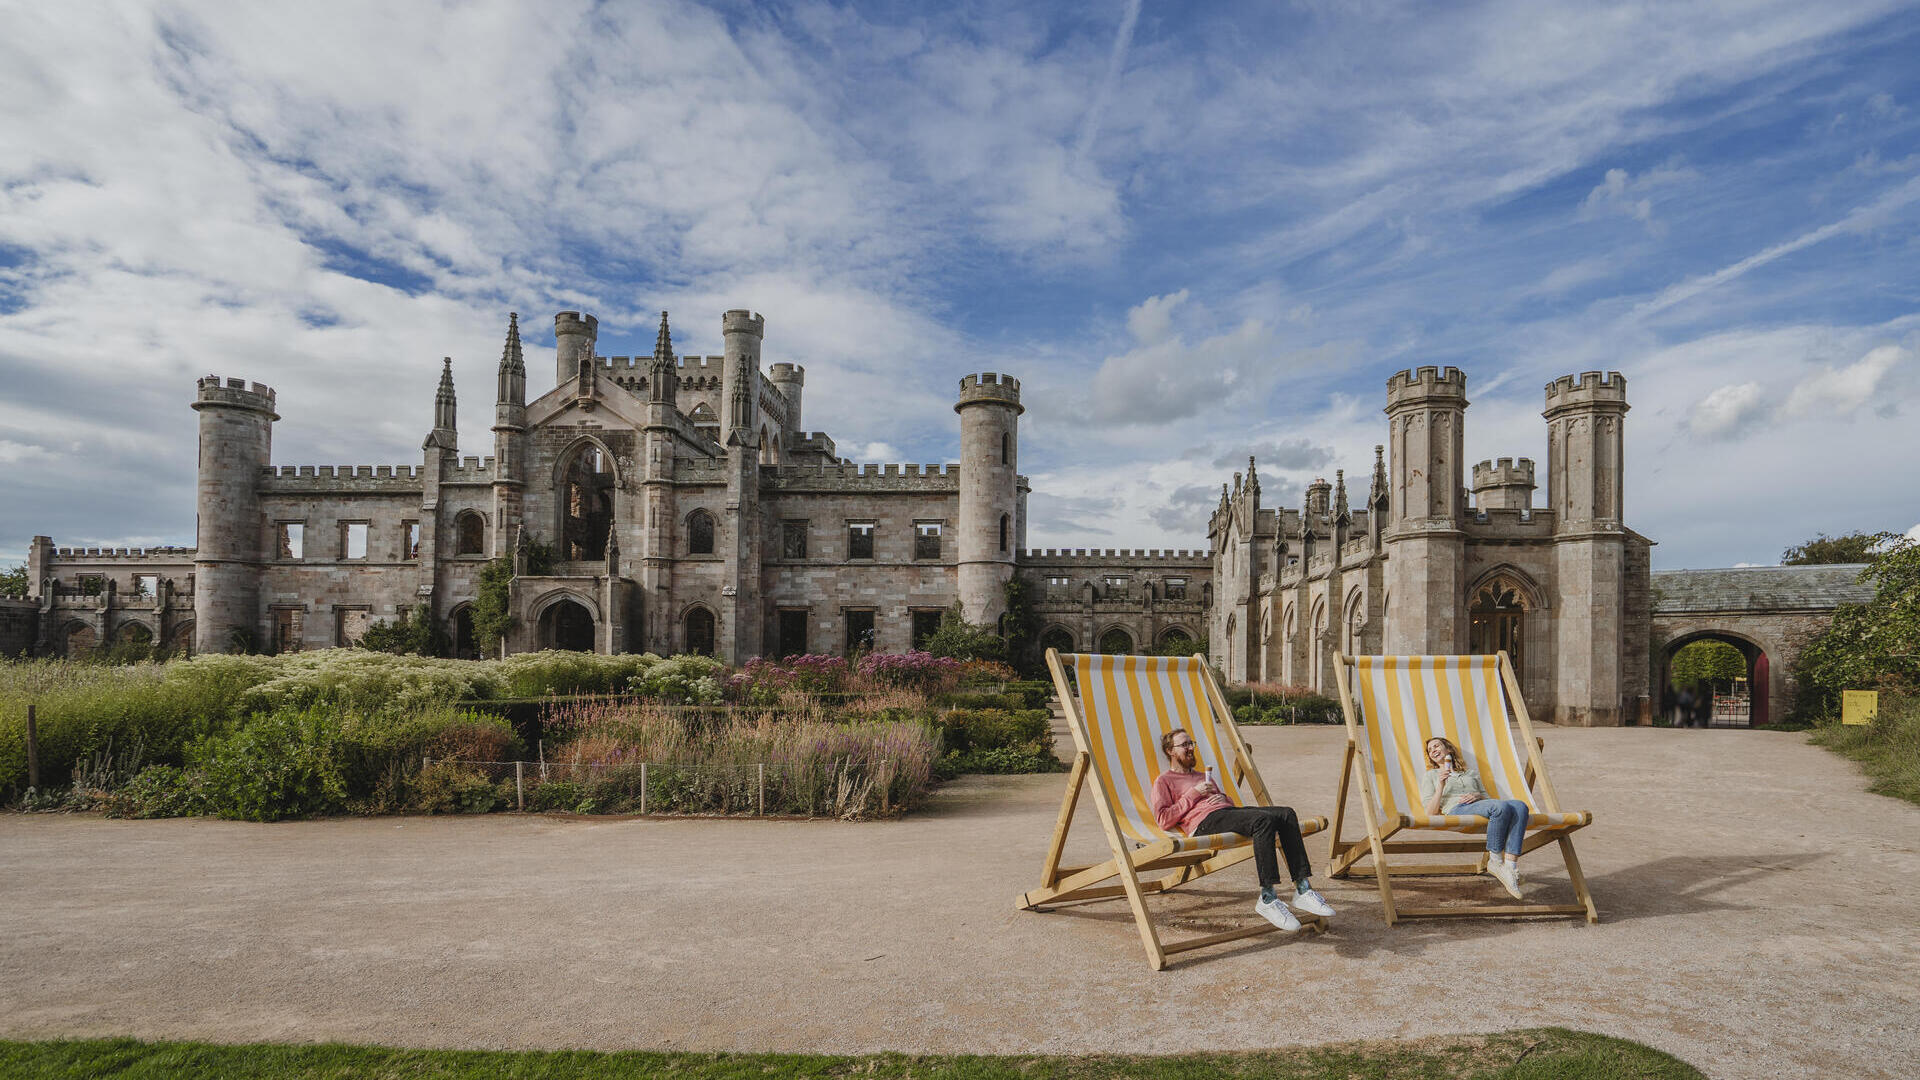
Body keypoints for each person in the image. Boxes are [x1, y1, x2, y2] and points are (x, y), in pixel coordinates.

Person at [1148, 727, 1335, 932]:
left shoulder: (1203, 776)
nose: (1191, 748)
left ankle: (1302, 888)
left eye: (1192, 743)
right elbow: (1163, 819)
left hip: (1225, 814)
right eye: (1185, 745)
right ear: (1170, 751)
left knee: (1286, 813)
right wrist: (1193, 794)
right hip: (1203, 824)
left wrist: (1223, 798)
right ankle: (1267, 897)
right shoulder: (1164, 781)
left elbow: (1226, 805)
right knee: (1263, 821)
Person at [1420, 736, 1529, 899]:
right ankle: (1495, 861)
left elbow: (1488, 799)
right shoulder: (1431, 776)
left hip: (1478, 806)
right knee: (1501, 807)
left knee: (1520, 806)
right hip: (1456, 809)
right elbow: (1430, 813)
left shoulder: (1470, 773)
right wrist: (1441, 786)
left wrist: (1477, 795)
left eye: (1437, 746)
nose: (1433, 750)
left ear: (1448, 749)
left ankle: (1511, 868)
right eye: (1430, 750)